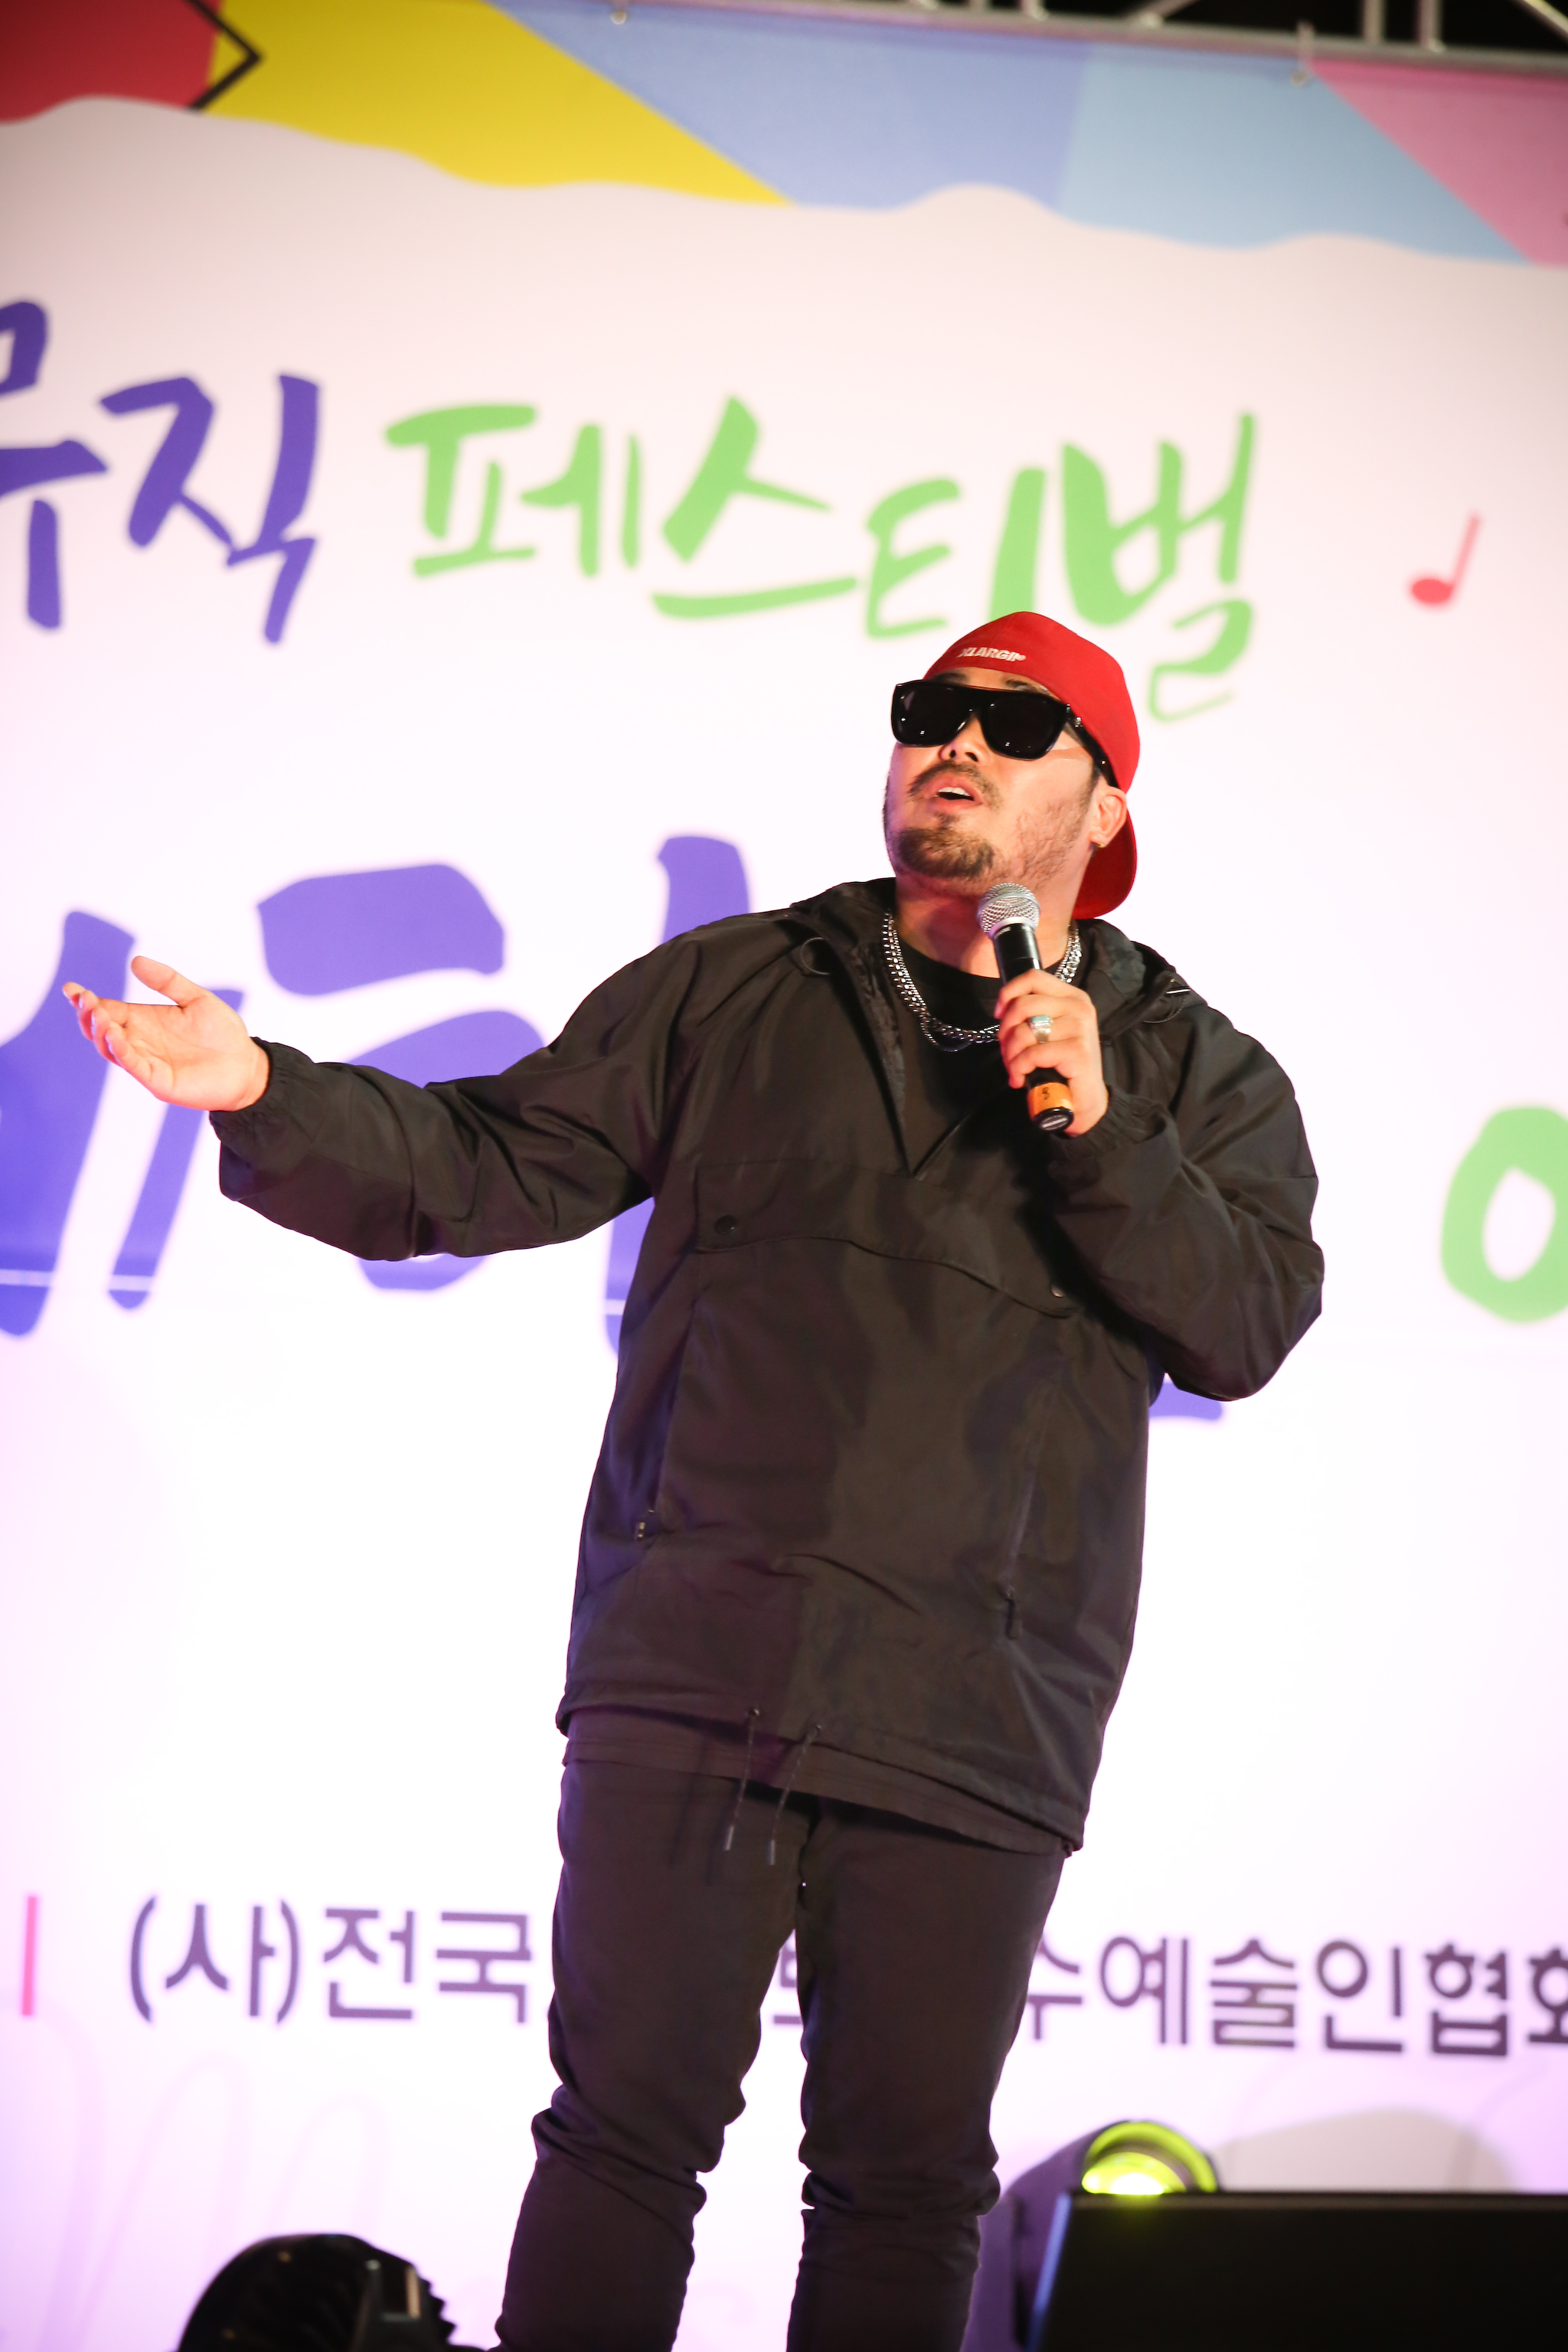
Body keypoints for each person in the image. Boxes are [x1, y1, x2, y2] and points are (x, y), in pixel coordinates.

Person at [67, 611, 1322, 2352]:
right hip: (697, 1666)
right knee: (618, 2146)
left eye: (1014, 727)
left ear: (1104, 809)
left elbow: (1245, 1321)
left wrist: (1102, 1132)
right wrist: (265, 1090)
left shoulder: (1191, 1071)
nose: (954, 744)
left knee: (901, 2190)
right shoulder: (742, 988)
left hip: (973, 1710)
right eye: (928, 712)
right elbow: (487, 1161)